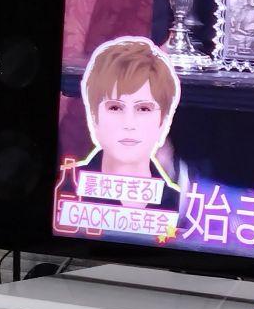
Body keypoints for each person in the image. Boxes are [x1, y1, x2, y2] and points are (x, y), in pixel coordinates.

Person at [75, 36, 182, 213]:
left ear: (163, 122)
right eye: (115, 108)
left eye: (143, 109)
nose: (129, 124)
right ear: (94, 117)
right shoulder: (65, 186)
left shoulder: (181, 203)